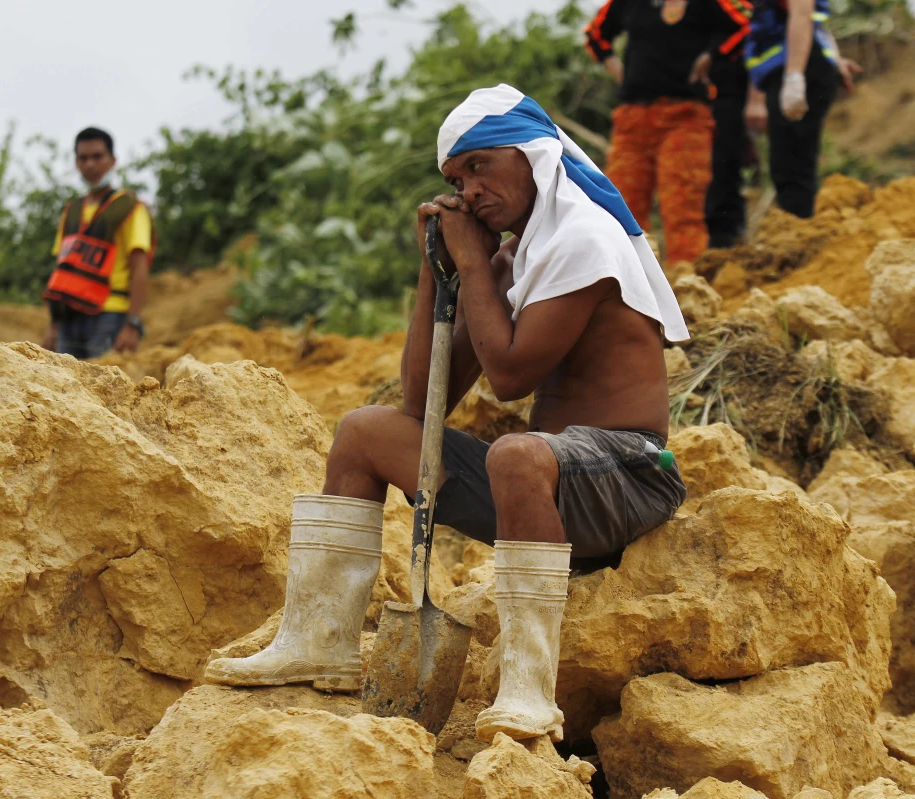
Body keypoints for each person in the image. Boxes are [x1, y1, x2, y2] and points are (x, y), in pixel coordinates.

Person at [205, 84, 690, 743]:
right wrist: (440, 272)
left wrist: (474, 262)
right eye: (456, 179)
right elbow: (421, 400)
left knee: (516, 453)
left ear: (532, 155)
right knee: (363, 432)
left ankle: (527, 690)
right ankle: (320, 641)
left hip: (630, 475)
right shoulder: (516, 255)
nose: (468, 192)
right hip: (543, 490)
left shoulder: (583, 238)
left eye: (479, 166)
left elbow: (511, 374)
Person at [584, 0, 752, 265]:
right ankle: (624, 288)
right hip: (632, 119)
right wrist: (621, 74)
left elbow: (744, 24)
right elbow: (595, 36)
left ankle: (684, 289)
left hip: (686, 118)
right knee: (619, 208)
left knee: (683, 208)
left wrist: (711, 57)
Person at [42, 127, 154, 359]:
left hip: (109, 316)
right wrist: (54, 325)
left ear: (112, 160)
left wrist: (132, 323)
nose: (90, 165)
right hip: (69, 319)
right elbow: (61, 270)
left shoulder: (129, 208)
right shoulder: (70, 212)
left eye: (97, 156)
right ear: (76, 163)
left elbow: (139, 267)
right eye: (83, 158)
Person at [743, 0, 860, 218]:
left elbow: (802, 13)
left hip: (798, 69)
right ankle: (799, 226)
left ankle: (799, 231)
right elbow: (816, 23)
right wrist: (835, 59)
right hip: (796, 67)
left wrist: (794, 76)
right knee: (790, 160)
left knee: (791, 163)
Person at [689, 0, 756, 249]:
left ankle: (724, 234)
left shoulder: (730, 7)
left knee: (724, 161)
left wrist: (712, 55)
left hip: (726, 91)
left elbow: (748, 23)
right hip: (690, 98)